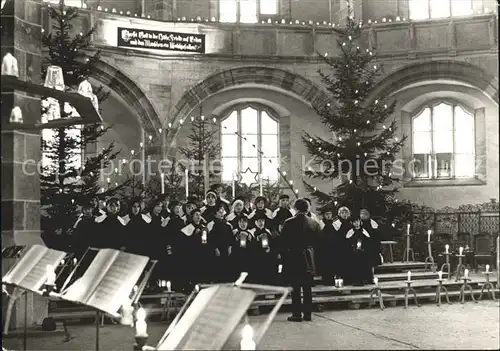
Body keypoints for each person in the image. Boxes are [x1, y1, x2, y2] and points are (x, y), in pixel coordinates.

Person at [280, 198, 321, 322]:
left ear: (295, 208)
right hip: (308, 257)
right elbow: (319, 242)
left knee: (296, 288)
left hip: (294, 257)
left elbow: (283, 243)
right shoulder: (314, 223)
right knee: (307, 288)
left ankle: (296, 314)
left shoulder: (288, 222)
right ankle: (308, 314)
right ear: (308, 208)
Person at [345, 216, 376, 286]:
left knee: (366, 260)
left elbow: (368, 241)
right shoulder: (350, 232)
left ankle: (366, 279)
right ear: (352, 223)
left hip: (363, 252)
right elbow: (348, 242)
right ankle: (356, 280)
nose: (357, 223)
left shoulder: (364, 231)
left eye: (358, 221)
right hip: (353, 254)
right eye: (355, 222)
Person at [318, 205, 336, 285]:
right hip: (324, 248)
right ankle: (325, 280)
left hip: (333, 247)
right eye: (326, 214)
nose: (328, 216)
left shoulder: (334, 223)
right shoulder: (321, 223)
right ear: (324, 215)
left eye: (330, 214)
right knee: (325, 265)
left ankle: (332, 280)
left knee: (332, 264)